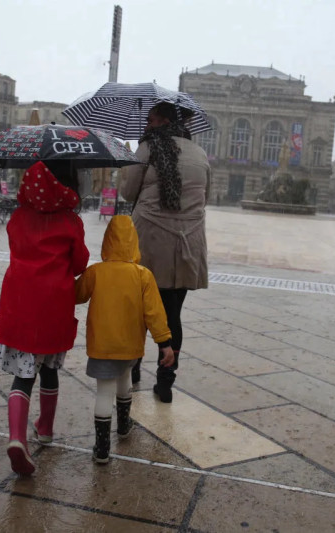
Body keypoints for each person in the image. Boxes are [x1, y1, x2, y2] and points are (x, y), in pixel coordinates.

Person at [0, 160, 89, 476]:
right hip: (53, 308)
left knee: (23, 375)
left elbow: (15, 248)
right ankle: (45, 428)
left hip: (20, 304)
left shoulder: (19, 217)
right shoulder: (70, 221)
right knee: (49, 369)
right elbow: (78, 265)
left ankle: (18, 438)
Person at [120, 102, 211, 403]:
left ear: (163, 120)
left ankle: (132, 369)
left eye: (151, 118)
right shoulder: (199, 153)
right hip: (187, 246)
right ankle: (166, 383)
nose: (146, 124)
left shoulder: (147, 149)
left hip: (149, 241)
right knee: (172, 314)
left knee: (137, 310)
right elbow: (204, 199)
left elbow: (127, 192)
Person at [75, 215, 174, 464]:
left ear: (107, 241)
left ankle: (102, 448)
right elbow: (154, 313)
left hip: (101, 346)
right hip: (130, 346)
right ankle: (123, 425)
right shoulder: (143, 275)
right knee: (125, 378)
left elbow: (75, 296)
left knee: (103, 392)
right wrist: (164, 343)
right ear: (134, 243)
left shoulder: (95, 272)